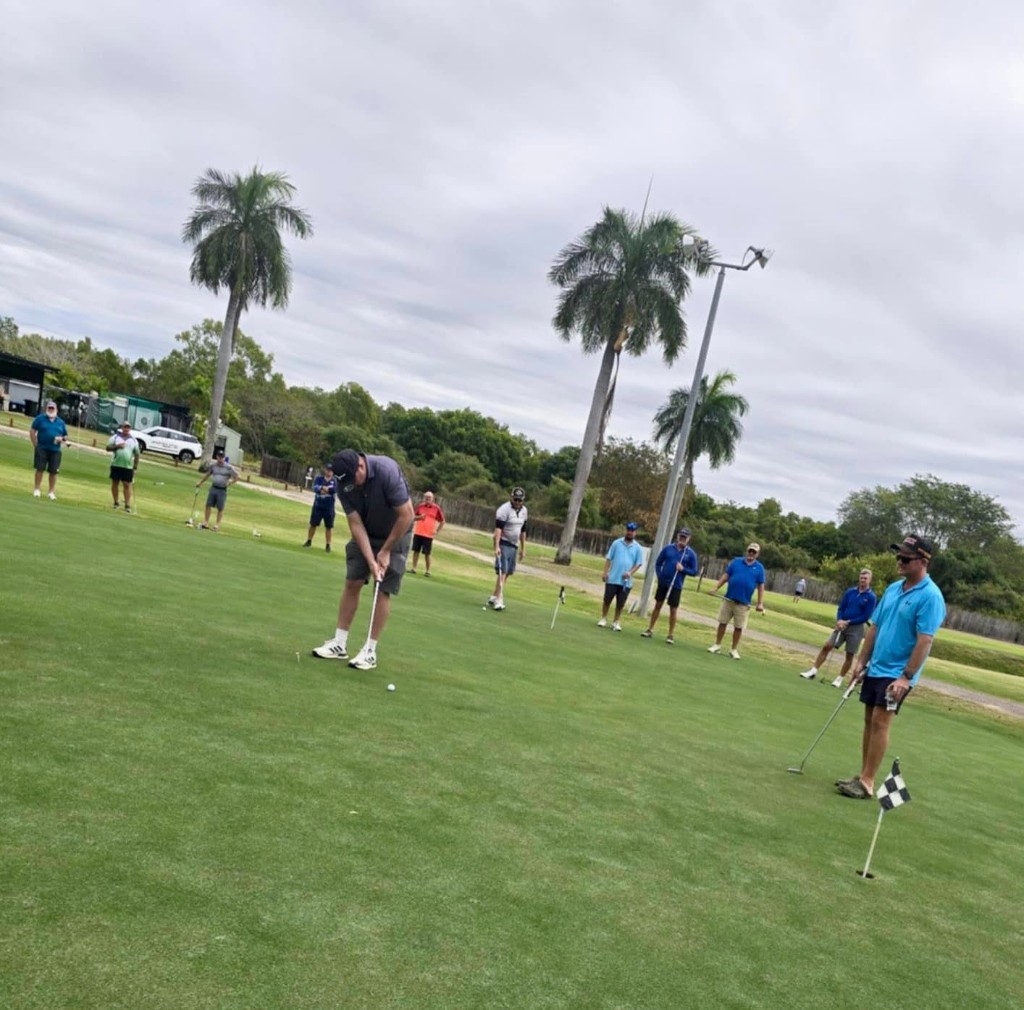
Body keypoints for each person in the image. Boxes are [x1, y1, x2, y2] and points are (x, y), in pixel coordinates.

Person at [836, 535, 945, 800]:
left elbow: (925, 640)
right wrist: (862, 661)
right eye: (899, 556)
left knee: (881, 722)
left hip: (898, 673)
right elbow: (876, 627)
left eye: (905, 558)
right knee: (868, 720)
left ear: (923, 561)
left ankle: (868, 782)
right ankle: (862, 775)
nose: (899, 562)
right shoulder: (895, 588)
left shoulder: (931, 596)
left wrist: (906, 677)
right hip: (877, 666)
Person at [311, 448, 414, 670]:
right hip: (366, 531)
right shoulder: (344, 481)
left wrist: (385, 551)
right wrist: (371, 559)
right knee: (353, 581)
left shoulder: (387, 471)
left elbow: (407, 515)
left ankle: (370, 651)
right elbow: (355, 524)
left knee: (382, 587)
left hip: (397, 532)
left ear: (360, 466)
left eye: (352, 479)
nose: (351, 484)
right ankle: (339, 643)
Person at [799, 569, 877, 687]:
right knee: (827, 646)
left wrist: (848, 621)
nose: (862, 580)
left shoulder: (871, 597)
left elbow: (866, 616)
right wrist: (839, 620)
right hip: (841, 625)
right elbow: (841, 607)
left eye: (865, 578)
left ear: (870, 580)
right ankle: (813, 671)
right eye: (861, 578)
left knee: (849, 654)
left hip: (856, 628)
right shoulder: (850, 592)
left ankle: (839, 678)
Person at [707, 542, 766, 659]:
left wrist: (760, 603)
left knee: (738, 627)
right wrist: (716, 587)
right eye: (750, 551)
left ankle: (733, 649)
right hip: (729, 598)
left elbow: (760, 586)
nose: (751, 553)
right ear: (747, 551)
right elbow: (726, 576)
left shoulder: (759, 568)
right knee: (722, 622)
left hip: (743, 603)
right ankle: (717, 645)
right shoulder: (736, 562)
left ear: (757, 554)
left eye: (754, 552)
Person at [641, 528, 699, 644]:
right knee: (658, 605)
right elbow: (658, 563)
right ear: (678, 536)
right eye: (681, 536)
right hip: (664, 582)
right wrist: (660, 576)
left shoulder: (690, 554)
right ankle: (650, 629)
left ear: (688, 539)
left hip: (676, 584)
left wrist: (683, 569)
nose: (682, 539)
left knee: (673, 609)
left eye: (685, 537)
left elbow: (694, 572)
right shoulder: (668, 548)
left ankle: (670, 634)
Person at [597, 522, 644, 631]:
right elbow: (609, 558)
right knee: (607, 600)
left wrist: (630, 573)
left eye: (632, 531)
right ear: (626, 531)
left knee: (620, 603)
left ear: (635, 533)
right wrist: (605, 572)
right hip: (613, 578)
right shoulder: (616, 543)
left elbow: (638, 563)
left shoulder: (637, 547)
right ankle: (603, 618)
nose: (630, 533)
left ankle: (616, 621)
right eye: (628, 530)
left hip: (626, 581)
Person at [488, 487, 528, 611]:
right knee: (502, 571)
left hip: (514, 545)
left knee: (508, 573)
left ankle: (494, 596)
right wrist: (497, 546)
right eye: (515, 499)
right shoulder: (503, 510)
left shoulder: (524, 511)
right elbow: (498, 530)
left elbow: (523, 530)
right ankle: (499, 600)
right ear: (511, 497)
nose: (517, 502)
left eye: (520, 500)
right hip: (503, 543)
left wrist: (523, 548)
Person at [30, 400, 69, 500]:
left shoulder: (60, 422)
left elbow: (65, 435)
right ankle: (37, 489)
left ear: (56, 410)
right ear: (47, 409)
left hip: (55, 449)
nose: (51, 410)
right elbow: (32, 430)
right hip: (42, 447)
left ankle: (51, 492)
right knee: (40, 469)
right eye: (49, 408)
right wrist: (35, 444)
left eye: (53, 408)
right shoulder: (40, 419)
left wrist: (62, 439)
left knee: (54, 471)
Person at [195, 449, 239, 531]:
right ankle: (205, 522)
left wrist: (230, 483)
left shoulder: (229, 468)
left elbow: (237, 477)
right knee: (208, 505)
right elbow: (207, 475)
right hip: (213, 487)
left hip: (222, 490)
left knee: (220, 507)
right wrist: (200, 482)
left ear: (224, 458)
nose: (220, 459)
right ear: (217, 457)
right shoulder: (213, 466)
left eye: (222, 457)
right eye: (219, 457)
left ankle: (217, 525)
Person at [105, 421, 141, 512]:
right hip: (116, 464)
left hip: (128, 466)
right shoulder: (115, 437)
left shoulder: (133, 440)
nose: (126, 429)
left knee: (127, 484)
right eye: (125, 427)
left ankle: (127, 505)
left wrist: (135, 467)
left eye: (128, 427)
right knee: (115, 483)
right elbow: (108, 448)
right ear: (122, 428)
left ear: (130, 429)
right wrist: (117, 446)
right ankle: (116, 502)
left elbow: (137, 454)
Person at [410, 490, 445, 576]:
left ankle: (428, 571)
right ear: (424, 498)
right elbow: (412, 517)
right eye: (426, 497)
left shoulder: (436, 508)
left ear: (433, 499)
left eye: (429, 497)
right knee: (416, 551)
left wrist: (436, 531)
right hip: (418, 532)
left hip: (428, 535)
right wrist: (419, 517)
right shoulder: (420, 506)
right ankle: (414, 568)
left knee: (427, 553)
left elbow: (442, 521)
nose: (427, 499)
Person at [303, 463, 337, 551]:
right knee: (313, 524)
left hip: (329, 507)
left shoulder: (335, 481)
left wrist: (326, 490)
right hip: (318, 506)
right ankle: (309, 540)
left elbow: (334, 490)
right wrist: (322, 487)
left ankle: (328, 545)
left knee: (329, 526)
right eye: (328, 470)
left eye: (331, 470)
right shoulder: (319, 479)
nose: (329, 472)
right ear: (325, 470)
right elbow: (315, 488)